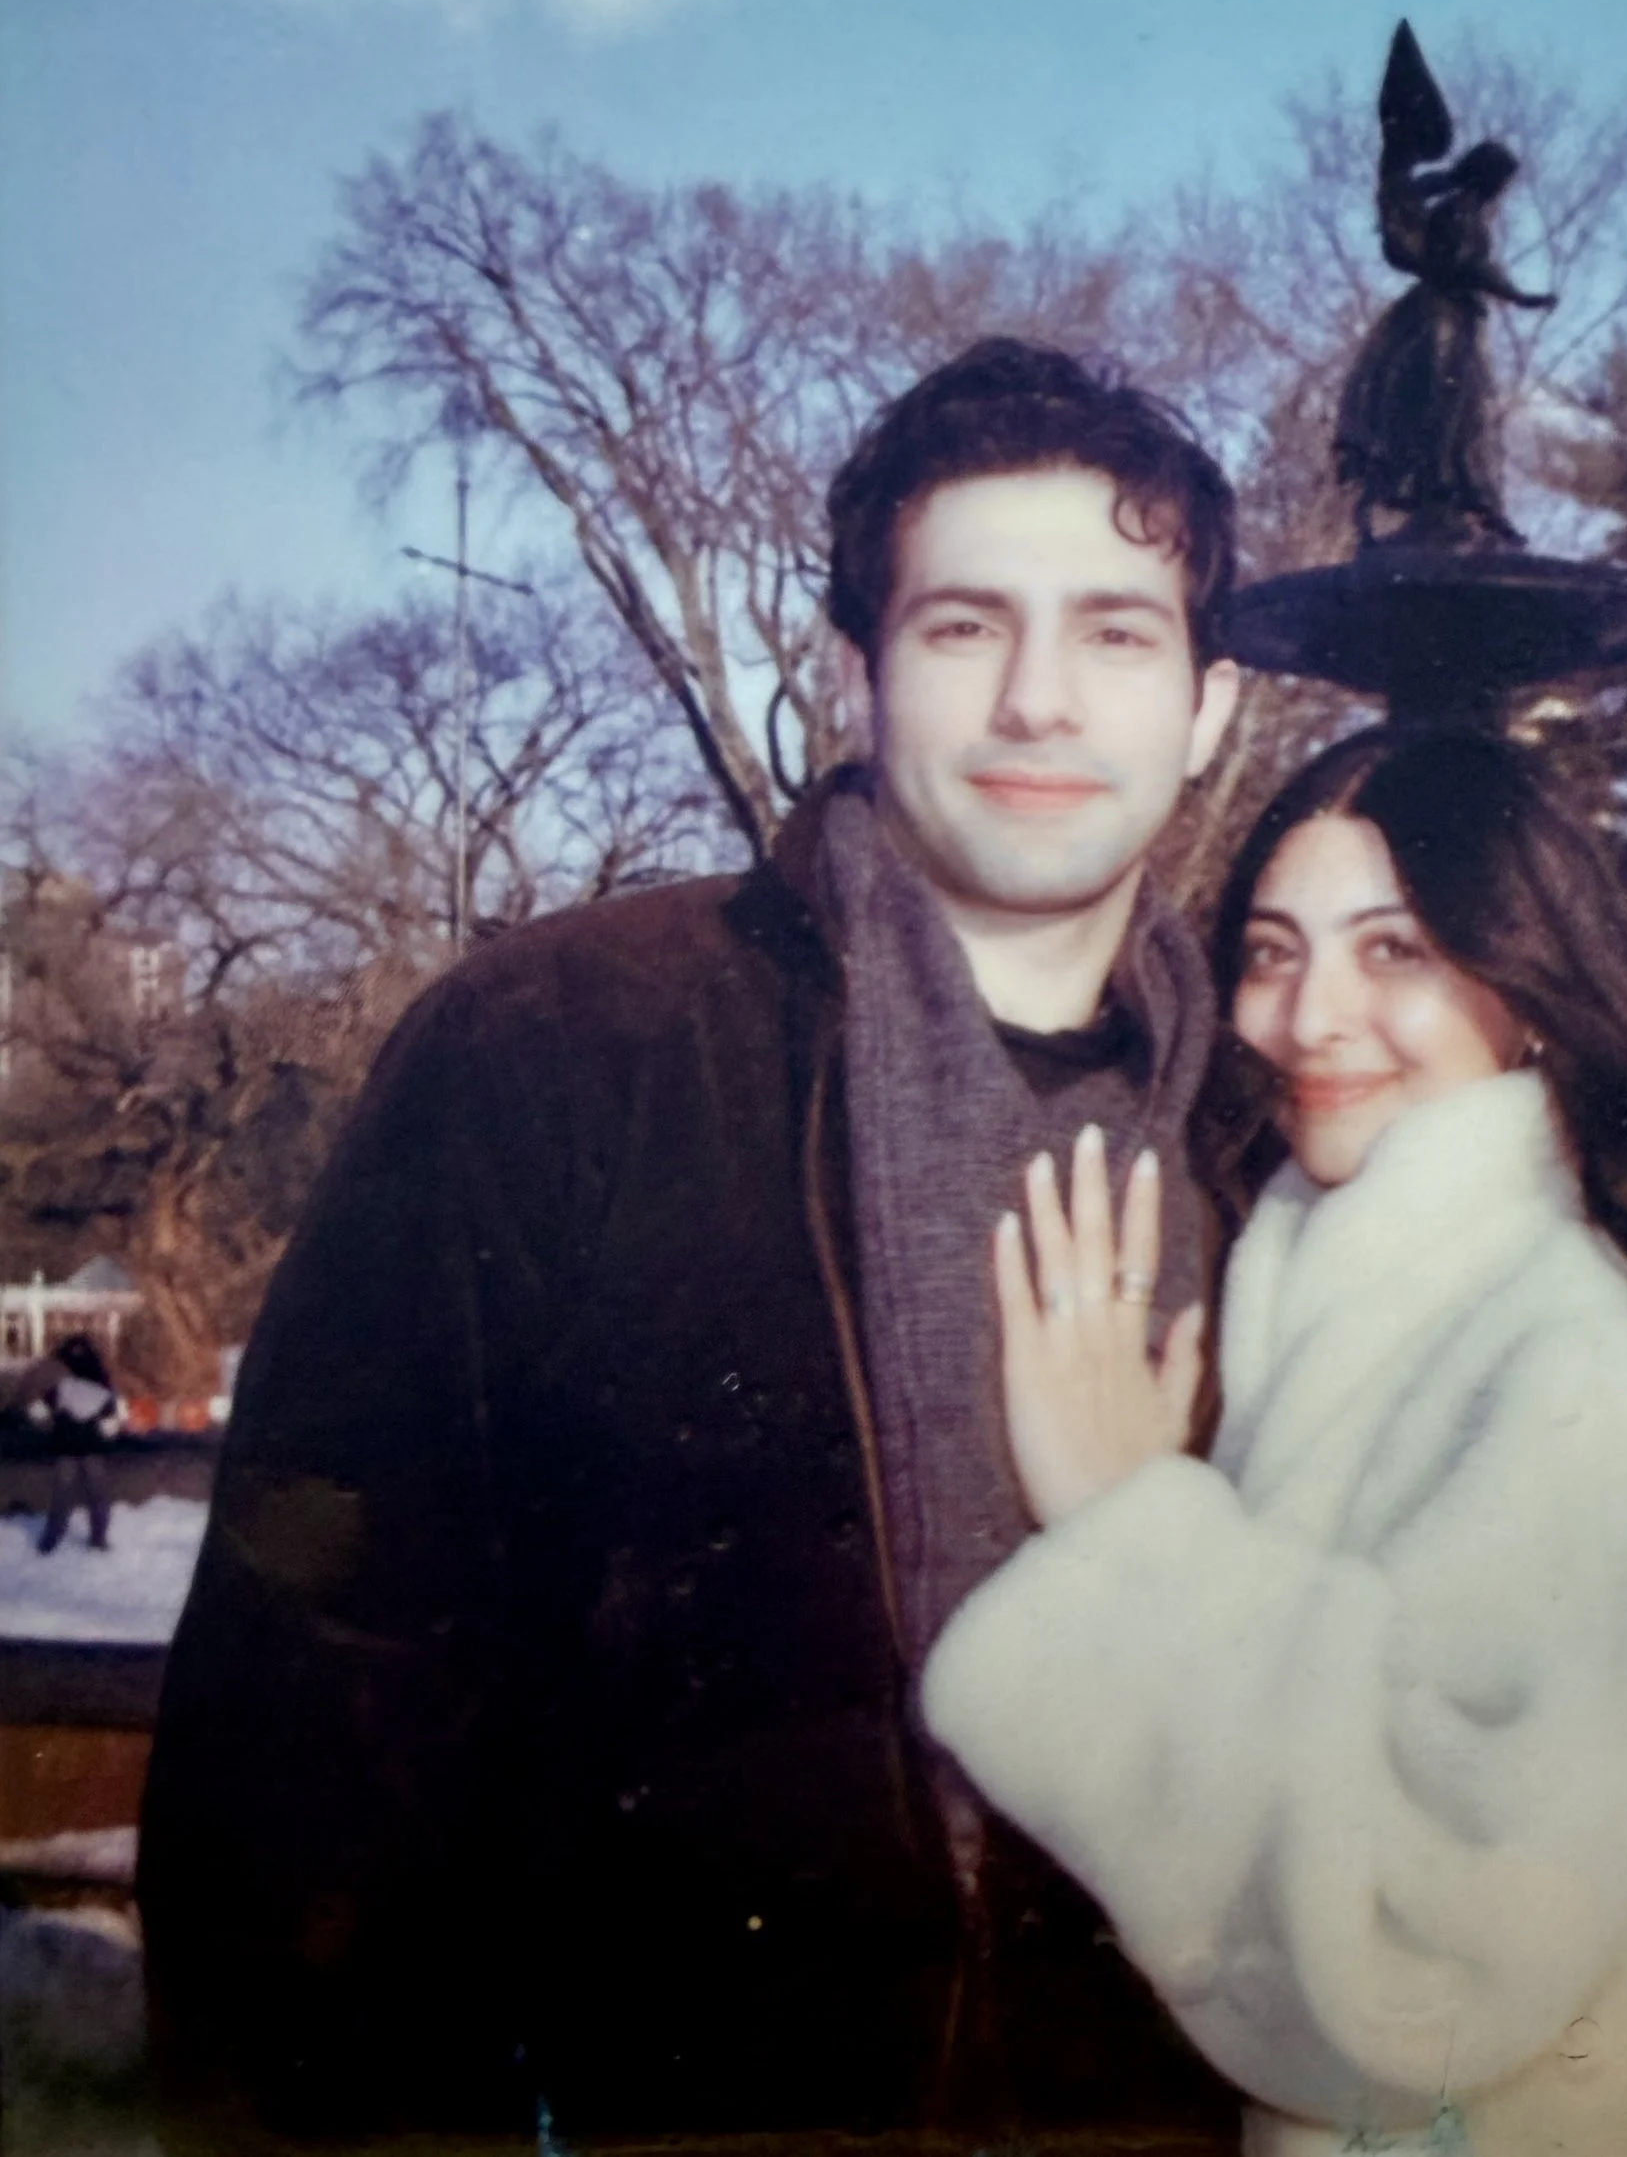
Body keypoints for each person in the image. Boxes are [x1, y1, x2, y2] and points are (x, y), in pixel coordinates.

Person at [137, 340, 1245, 2143]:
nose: (1042, 698)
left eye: (1118, 631)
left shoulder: (1276, 1129)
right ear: (857, 676)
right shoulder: (567, 1047)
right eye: (966, 625)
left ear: (1205, 705)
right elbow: (312, 1724)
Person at [923, 725, 1627, 2157]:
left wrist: (1132, 1545)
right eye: (1272, 951)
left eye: (1395, 951)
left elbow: (1427, 1974)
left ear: (1529, 986)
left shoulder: (1595, 1363)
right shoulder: (1371, 1289)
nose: (1307, 1016)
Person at [21, 1331, 119, 1553]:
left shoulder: (60, 1387)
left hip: (65, 1447)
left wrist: (53, 1425)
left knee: (61, 1497)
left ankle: (50, 1541)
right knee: (98, 1496)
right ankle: (98, 1539)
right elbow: (109, 1428)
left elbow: (37, 1412)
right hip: (93, 1449)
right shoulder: (104, 1388)